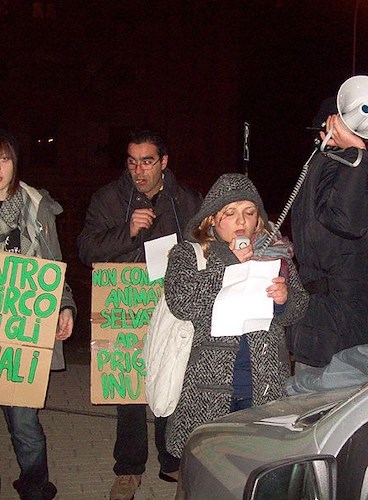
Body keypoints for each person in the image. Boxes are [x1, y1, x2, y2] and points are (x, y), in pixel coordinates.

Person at [77, 129, 202, 500]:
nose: (138, 170)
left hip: (170, 308)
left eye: (147, 161)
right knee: (129, 387)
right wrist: (127, 232)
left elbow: (206, 244)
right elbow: (85, 248)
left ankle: (171, 459)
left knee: (171, 379)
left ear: (164, 162)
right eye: (131, 162)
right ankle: (129, 469)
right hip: (125, 307)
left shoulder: (186, 200)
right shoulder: (108, 199)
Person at [163, 173, 309, 468]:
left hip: (264, 385)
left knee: (257, 468)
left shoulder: (275, 254)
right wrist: (228, 265)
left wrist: (285, 299)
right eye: (230, 213)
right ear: (212, 219)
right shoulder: (189, 254)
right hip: (208, 387)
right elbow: (181, 302)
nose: (241, 222)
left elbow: (300, 307)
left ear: (259, 220)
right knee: (211, 471)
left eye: (249, 213)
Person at [288, 97, 368, 369]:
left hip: (331, 329)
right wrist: (358, 152)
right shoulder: (339, 164)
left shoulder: (335, 165)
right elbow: (347, 221)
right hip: (336, 334)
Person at [0, 129, 76, 500]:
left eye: (4, 159)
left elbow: (54, 263)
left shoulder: (36, 207)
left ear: (15, 162)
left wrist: (65, 305)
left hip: (22, 333)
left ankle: (34, 485)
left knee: (23, 419)